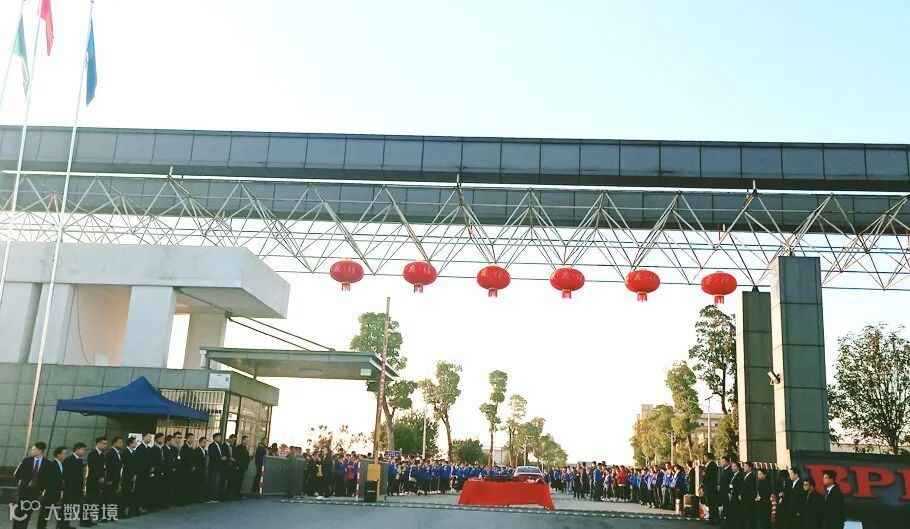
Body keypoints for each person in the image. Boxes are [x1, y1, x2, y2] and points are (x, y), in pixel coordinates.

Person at [13, 442, 52, 529]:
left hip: (35, 492)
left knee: (28, 513)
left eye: (34, 449)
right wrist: (24, 480)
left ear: (40, 451)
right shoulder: (26, 461)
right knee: (19, 512)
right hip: (24, 491)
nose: (32, 451)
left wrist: (42, 489)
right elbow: (17, 474)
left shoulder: (47, 464)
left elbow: (48, 479)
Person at [37, 446, 66, 529]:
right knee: (45, 510)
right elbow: (47, 479)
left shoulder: (63, 464)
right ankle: (41, 526)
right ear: (58, 455)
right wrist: (42, 490)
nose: (65, 455)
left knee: (50, 510)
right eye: (64, 453)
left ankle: (43, 525)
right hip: (50, 491)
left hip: (57, 491)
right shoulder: (51, 464)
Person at [61, 443, 87, 529]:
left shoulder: (80, 460)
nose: (84, 451)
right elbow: (66, 474)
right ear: (77, 449)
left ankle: (66, 524)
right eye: (83, 449)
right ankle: (62, 525)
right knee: (66, 506)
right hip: (69, 487)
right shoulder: (69, 459)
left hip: (76, 488)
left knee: (70, 507)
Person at [85, 437, 108, 524]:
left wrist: (103, 477)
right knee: (89, 501)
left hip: (99, 482)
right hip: (92, 481)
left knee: (95, 501)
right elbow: (93, 467)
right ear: (98, 443)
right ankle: (85, 520)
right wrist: (100, 477)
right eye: (103, 443)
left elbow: (103, 468)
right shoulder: (93, 454)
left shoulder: (102, 455)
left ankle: (90, 519)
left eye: (106, 443)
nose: (105, 445)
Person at [103, 437, 124, 517]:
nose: (121, 444)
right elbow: (108, 467)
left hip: (116, 478)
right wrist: (108, 479)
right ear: (114, 443)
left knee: (112, 497)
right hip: (110, 479)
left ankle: (110, 514)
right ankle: (103, 515)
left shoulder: (118, 453)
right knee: (107, 497)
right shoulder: (110, 453)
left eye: (122, 442)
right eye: (120, 442)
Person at [121, 437, 139, 518]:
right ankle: (121, 512)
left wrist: (135, 474)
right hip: (126, 476)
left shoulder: (134, 452)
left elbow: (135, 465)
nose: (136, 444)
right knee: (124, 493)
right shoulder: (125, 452)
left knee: (129, 494)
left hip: (132, 476)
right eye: (134, 442)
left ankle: (126, 511)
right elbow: (126, 465)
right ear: (130, 443)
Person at [207, 432, 225, 501]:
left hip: (219, 466)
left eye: (220, 437)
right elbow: (212, 456)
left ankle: (215, 496)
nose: (220, 439)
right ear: (214, 438)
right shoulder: (211, 445)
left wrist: (223, 457)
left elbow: (221, 454)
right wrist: (220, 458)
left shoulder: (220, 445)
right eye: (218, 437)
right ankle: (209, 497)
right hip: (213, 466)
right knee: (212, 481)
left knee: (217, 482)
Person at [702, 453, 719, 524]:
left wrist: (704, 474)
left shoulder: (712, 465)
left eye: (705, 458)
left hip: (711, 487)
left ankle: (714, 519)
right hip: (710, 487)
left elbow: (709, 476)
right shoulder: (710, 465)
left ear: (707, 457)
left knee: (712, 503)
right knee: (711, 503)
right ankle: (713, 518)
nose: (704, 459)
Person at [726, 462, 743, 529]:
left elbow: (738, 487)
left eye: (734, 466)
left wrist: (733, 493)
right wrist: (729, 493)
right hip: (731, 495)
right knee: (732, 512)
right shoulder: (733, 475)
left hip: (736, 496)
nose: (732, 467)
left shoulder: (740, 476)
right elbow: (730, 485)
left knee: (736, 512)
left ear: (738, 467)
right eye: (732, 466)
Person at [740, 462, 757, 529]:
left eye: (746, 466)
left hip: (749, 499)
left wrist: (742, 494)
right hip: (745, 499)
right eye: (744, 466)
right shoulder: (746, 476)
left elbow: (748, 488)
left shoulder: (752, 476)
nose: (744, 467)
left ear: (750, 468)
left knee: (749, 517)